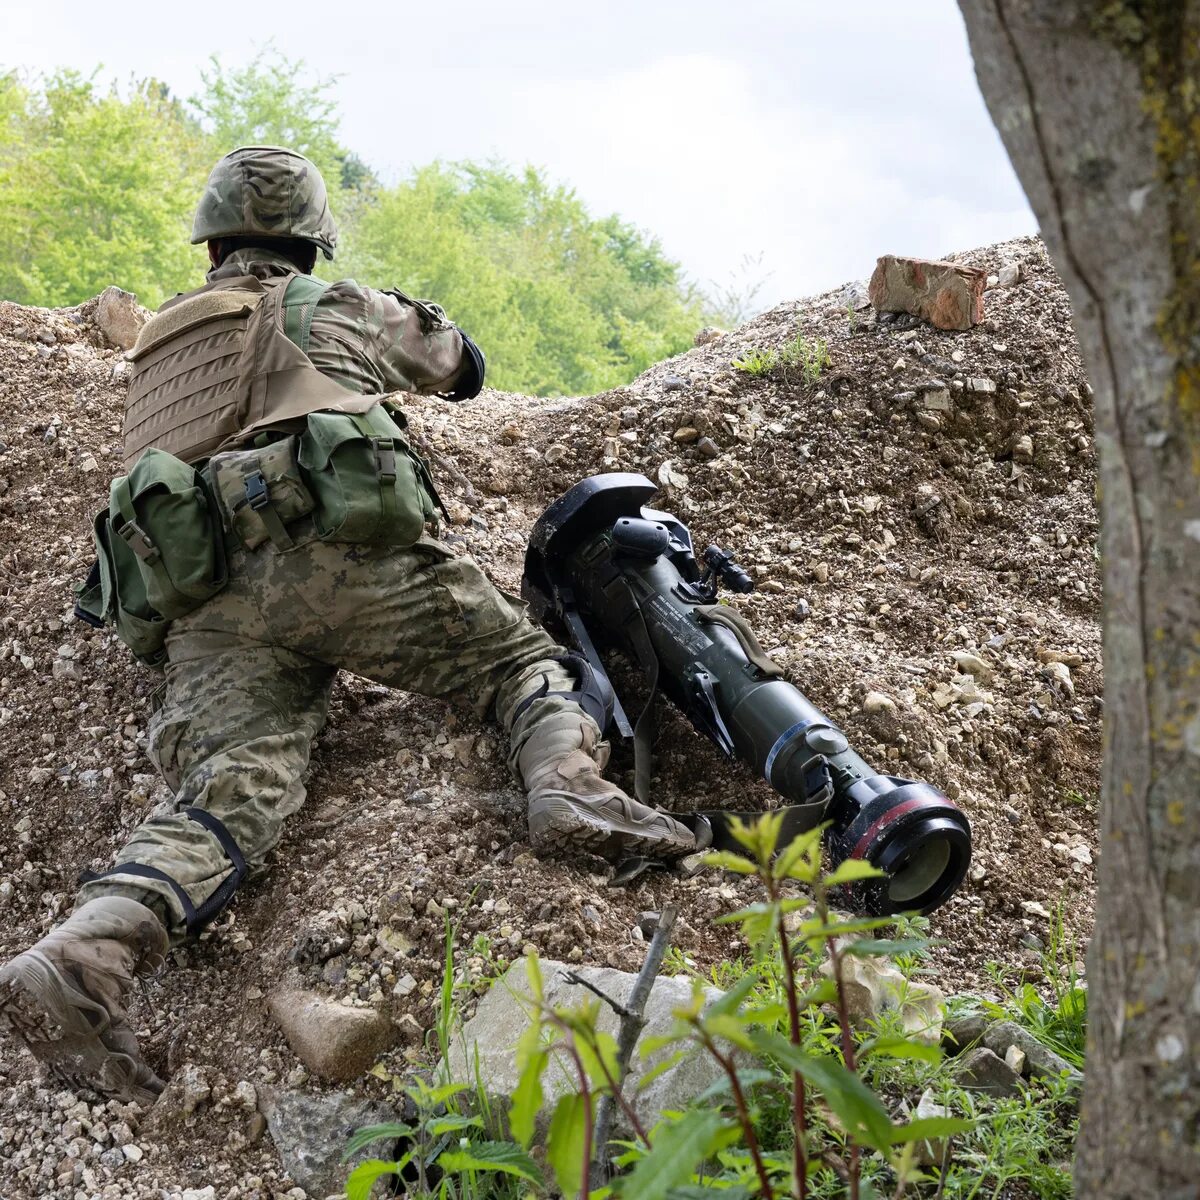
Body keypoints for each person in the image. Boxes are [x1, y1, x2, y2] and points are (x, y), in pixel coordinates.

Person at [0, 146, 697, 1106]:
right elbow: (461, 372)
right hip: (341, 567)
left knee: (233, 784)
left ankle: (86, 948)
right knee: (519, 660)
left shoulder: (159, 349)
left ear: (210, 242)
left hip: (206, 607)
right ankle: (570, 788)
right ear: (310, 242)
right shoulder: (337, 307)